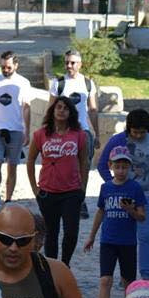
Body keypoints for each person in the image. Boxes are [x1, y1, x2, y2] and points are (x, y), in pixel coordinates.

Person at [98, 109, 149, 280]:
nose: (138, 136)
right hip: (124, 193)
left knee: (145, 236)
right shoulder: (118, 140)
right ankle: (126, 276)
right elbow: (102, 164)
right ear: (128, 129)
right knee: (124, 235)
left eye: (142, 132)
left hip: (148, 194)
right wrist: (113, 185)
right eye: (135, 132)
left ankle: (145, 276)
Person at [84, 151, 147, 298]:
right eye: (117, 166)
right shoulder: (106, 188)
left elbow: (142, 216)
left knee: (128, 283)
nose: (120, 170)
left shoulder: (135, 188)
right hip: (108, 241)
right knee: (105, 280)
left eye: (124, 167)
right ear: (110, 166)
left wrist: (131, 210)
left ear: (130, 167)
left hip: (127, 242)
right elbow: (100, 212)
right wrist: (92, 236)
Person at [26, 95, 89, 265]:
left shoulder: (79, 135)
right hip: (48, 192)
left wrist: (83, 187)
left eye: (66, 108)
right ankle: (53, 267)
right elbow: (30, 159)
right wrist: (34, 188)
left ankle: (65, 263)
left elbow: (84, 161)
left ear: (71, 112)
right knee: (51, 233)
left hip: (72, 192)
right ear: (52, 111)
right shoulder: (40, 134)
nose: (62, 111)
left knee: (71, 233)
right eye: (58, 107)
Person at [50, 49, 101, 220]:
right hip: (63, 132)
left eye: (72, 62)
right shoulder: (58, 83)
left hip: (83, 131)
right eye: (66, 62)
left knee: (83, 168)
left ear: (80, 64)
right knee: (62, 167)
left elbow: (93, 109)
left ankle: (80, 200)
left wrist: (97, 133)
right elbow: (51, 110)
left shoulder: (88, 84)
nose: (69, 66)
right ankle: (63, 199)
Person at [0, 51, 31, 214]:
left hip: (15, 129)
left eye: (9, 67)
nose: (5, 69)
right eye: (3, 66)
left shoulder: (23, 82)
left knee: (13, 166)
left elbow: (26, 107)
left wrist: (27, 130)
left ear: (16, 66)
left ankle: (8, 199)